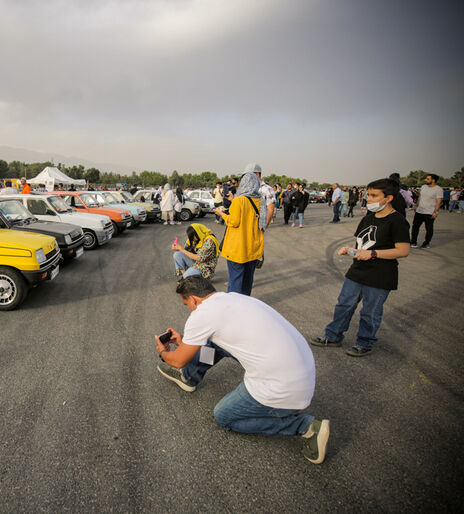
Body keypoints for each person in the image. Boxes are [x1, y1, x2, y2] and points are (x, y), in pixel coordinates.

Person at [155, 276, 329, 464]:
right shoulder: (234, 298)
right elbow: (209, 343)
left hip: (282, 389)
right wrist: (184, 343)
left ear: (194, 300)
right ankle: (190, 377)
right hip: (302, 372)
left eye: (186, 304)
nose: (189, 309)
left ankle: (305, 426)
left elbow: (178, 360)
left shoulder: (202, 315)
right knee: (215, 343)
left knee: (224, 416)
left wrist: (163, 353)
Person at [310, 178, 410, 356]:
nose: (369, 199)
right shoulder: (368, 218)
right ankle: (333, 336)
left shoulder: (397, 221)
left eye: (374, 195)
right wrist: (349, 250)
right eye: (368, 194)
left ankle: (365, 342)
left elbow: (403, 250)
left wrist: (373, 254)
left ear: (388, 198)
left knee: (370, 312)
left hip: (380, 275)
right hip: (357, 272)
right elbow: (361, 244)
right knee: (344, 305)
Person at [213, 172, 262, 296]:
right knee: (247, 281)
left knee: (235, 280)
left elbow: (233, 221)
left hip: (238, 248)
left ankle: (234, 308)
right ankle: (245, 304)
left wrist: (222, 214)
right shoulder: (258, 200)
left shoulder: (239, 200)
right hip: (252, 247)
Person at [410, 174, 443, 249]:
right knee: (415, 227)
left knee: (429, 228)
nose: (425, 180)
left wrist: (436, 212)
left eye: (428, 179)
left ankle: (426, 243)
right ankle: (413, 242)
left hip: (429, 212)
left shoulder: (438, 189)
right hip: (420, 211)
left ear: (433, 180)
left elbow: (438, 202)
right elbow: (420, 197)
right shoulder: (423, 187)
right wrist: (416, 205)